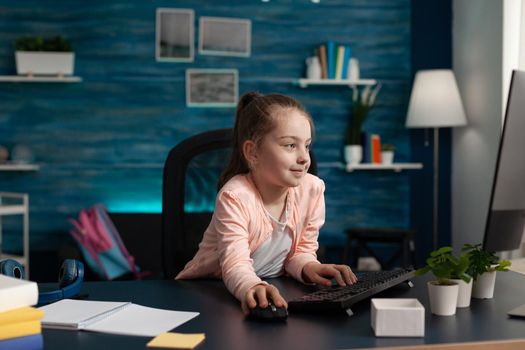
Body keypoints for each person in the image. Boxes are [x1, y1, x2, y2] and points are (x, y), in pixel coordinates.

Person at [176, 91, 357, 314]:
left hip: (270, 286)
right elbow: (234, 265)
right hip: (205, 293)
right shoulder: (235, 196)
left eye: (307, 145)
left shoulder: (312, 190)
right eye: (290, 145)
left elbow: (299, 251)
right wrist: (253, 286)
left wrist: (310, 267)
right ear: (252, 152)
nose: (304, 157)